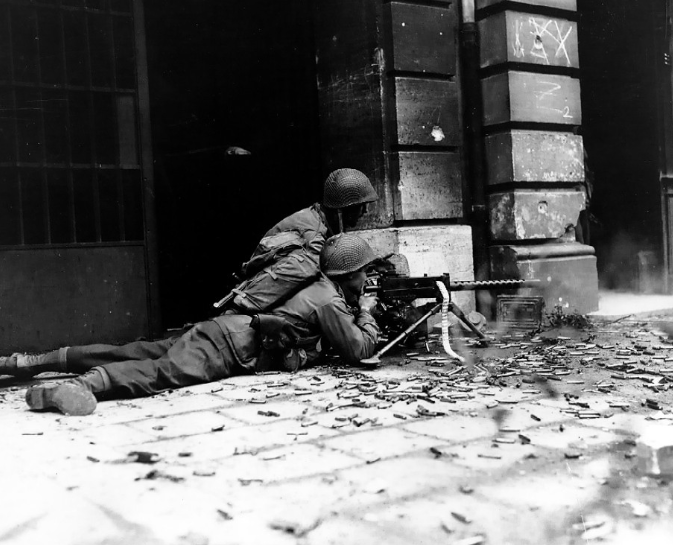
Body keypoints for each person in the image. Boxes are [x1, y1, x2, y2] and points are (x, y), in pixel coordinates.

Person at [1, 234, 380, 416]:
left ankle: (26, 363)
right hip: (229, 347)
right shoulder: (329, 300)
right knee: (160, 373)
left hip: (223, 330)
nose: (367, 279)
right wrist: (365, 311)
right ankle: (79, 387)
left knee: (132, 352)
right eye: (365, 272)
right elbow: (359, 349)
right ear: (350, 273)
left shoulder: (317, 285)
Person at [218, 167, 378, 314]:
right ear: (343, 210)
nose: (365, 211)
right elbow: (325, 288)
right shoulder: (313, 242)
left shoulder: (317, 217)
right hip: (254, 304)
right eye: (361, 206)